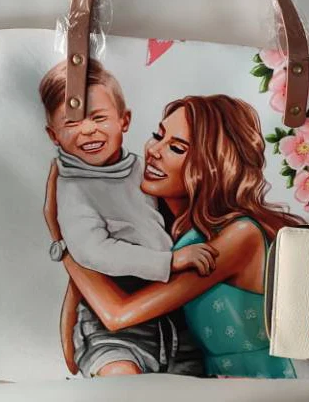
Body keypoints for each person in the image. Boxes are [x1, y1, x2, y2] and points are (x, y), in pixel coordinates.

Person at [45, 94, 303, 378]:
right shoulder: (167, 232)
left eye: (176, 148)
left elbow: (117, 314)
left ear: (211, 166)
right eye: (158, 135)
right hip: (210, 382)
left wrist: (62, 241)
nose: (154, 150)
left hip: (258, 383)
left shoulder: (238, 235)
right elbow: (73, 353)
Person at [39, 60, 211, 378]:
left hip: (173, 323)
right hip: (111, 331)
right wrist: (169, 261)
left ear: (125, 120)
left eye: (98, 118)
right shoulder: (73, 186)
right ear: (54, 135)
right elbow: (93, 251)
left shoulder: (142, 169)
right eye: (71, 123)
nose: (87, 130)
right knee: (121, 377)